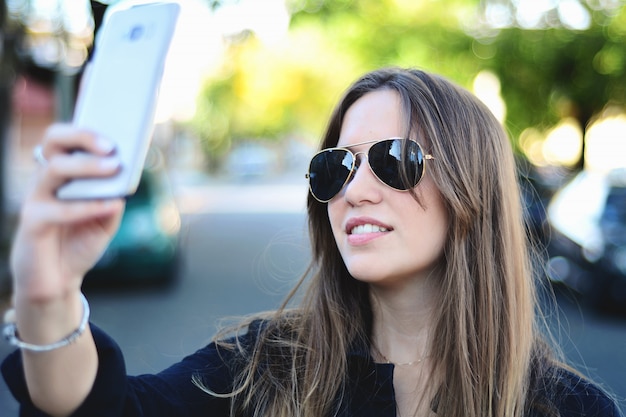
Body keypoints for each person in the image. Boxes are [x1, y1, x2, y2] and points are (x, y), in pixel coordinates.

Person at [1, 67, 622, 417]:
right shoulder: (265, 368)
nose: (355, 191)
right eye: (336, 168)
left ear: (472, 187)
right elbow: (101, 410)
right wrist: (46, 289)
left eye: (392, 160)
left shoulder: (570, 410)